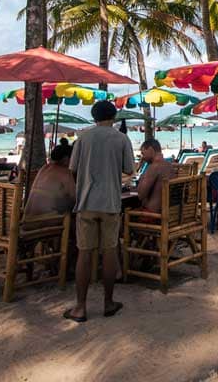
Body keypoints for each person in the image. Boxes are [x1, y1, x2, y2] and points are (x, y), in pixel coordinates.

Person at [65, 99, 134, 323]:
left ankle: (80, 307)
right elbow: (128, 169)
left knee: (84, 253)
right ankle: (108, 302)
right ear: (113, 117)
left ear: (94, 117)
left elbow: (73, 169)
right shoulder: (121, 138)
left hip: (86, 202)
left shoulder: (83, 138)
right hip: (111, 203)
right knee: (110, 251)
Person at [25, 143, 77, 216]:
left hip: (28, 220)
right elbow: (75, 199)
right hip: (46, 222)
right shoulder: (66, 173)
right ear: (66, 159)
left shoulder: (43, 168)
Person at [135, 139, 177, 213]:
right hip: (169, 212)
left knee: (123, 214)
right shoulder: (169, 166)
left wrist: (142, 175)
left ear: (151, 150)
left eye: (143, 153)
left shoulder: (154, 167)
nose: (142, 157)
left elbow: (140, 195)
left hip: (153, 215)